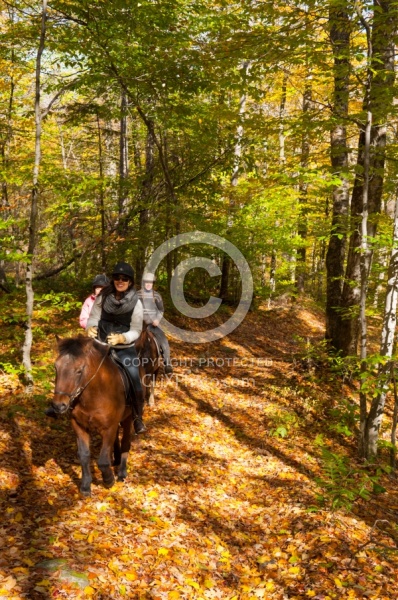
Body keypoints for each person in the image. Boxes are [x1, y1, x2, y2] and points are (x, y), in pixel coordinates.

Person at [86, 262, 146, 434]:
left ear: (130, 282)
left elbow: (136, 329)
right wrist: (89, 327)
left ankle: (137, 417)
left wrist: (122, 338)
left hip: (124, 347)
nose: (120, 281)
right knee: (76, 366)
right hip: (100, 343)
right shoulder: (102, 297)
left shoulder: (137, 303)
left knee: (135, 378)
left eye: (124, 279)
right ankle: (66, 404)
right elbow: (93, 317)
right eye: (117, 278)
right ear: (112, 280)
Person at [137, 272, 173, 374]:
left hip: (153, 325)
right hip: (139, 325)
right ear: (144, 283)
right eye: (147, 282)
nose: (148, 284)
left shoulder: (157, 296)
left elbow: (161, 310)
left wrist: (157, 319)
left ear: (153, 283)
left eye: (150, 282)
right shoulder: (137, 295)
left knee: (164, 340)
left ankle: (167, 364)